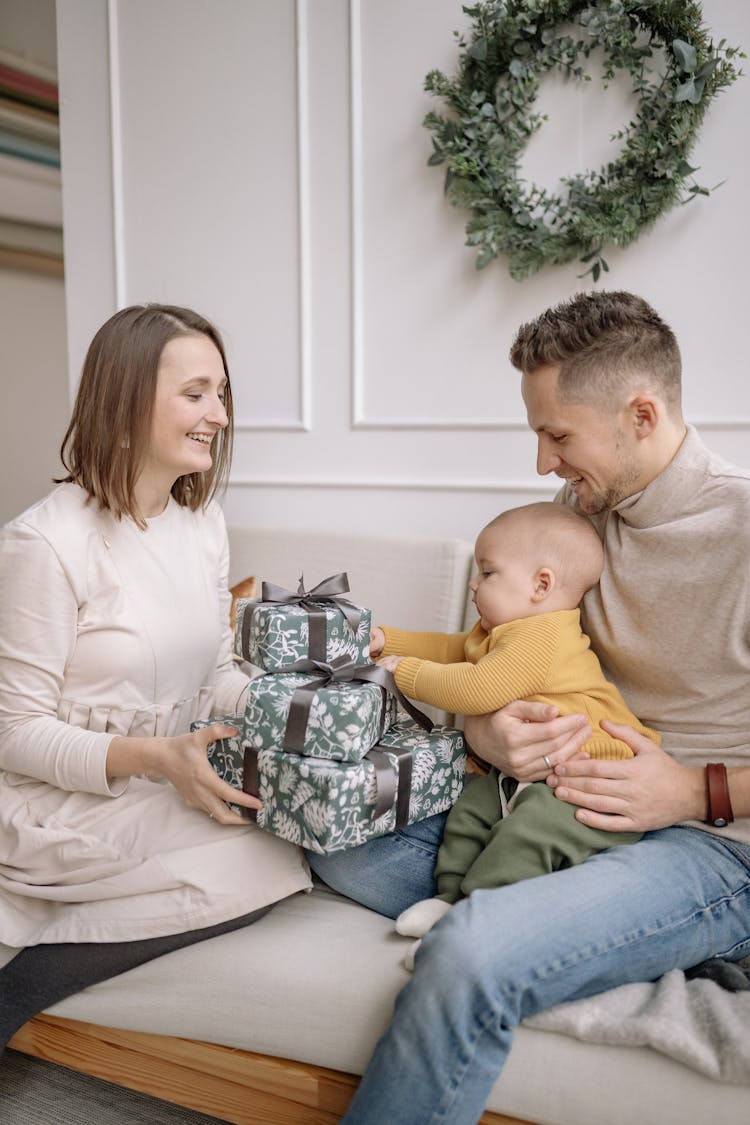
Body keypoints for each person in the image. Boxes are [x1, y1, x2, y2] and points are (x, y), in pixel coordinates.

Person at [306, 290, 750, 1125]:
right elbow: (499, 664)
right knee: (341, 841)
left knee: (469, 950)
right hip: (553, 805)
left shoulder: (744, 526)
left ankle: (561, 924)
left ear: (641, 414)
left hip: (705, 847)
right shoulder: (569, 519)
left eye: (558, 435)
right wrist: (486, 732)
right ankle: (575, 920)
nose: (543, 463)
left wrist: (696, 793)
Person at [0, 304, 311, 1050]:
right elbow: (12, 733)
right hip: (59, 798)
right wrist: (155, 759)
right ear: (128, 400)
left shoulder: (201, 525)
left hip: (161, 778)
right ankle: (17, 993)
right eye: (196, 393)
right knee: (260, 856)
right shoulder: (44, 542)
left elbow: (213, 675)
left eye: (223, 394)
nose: (220, 416)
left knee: (282, 842)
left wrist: (302, 703)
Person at [369, 502, 655, 960]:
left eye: (488, 572)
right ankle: (450, 898)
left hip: (596, 778)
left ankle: (482, 920)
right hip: (534, 772)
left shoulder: (542, 635)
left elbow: (481, 688)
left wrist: (407, 672)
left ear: (541, 585)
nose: (472, 582)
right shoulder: (499, 629)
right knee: (471, 809)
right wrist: (389, 640)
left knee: (531, 831)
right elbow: (452, 648)